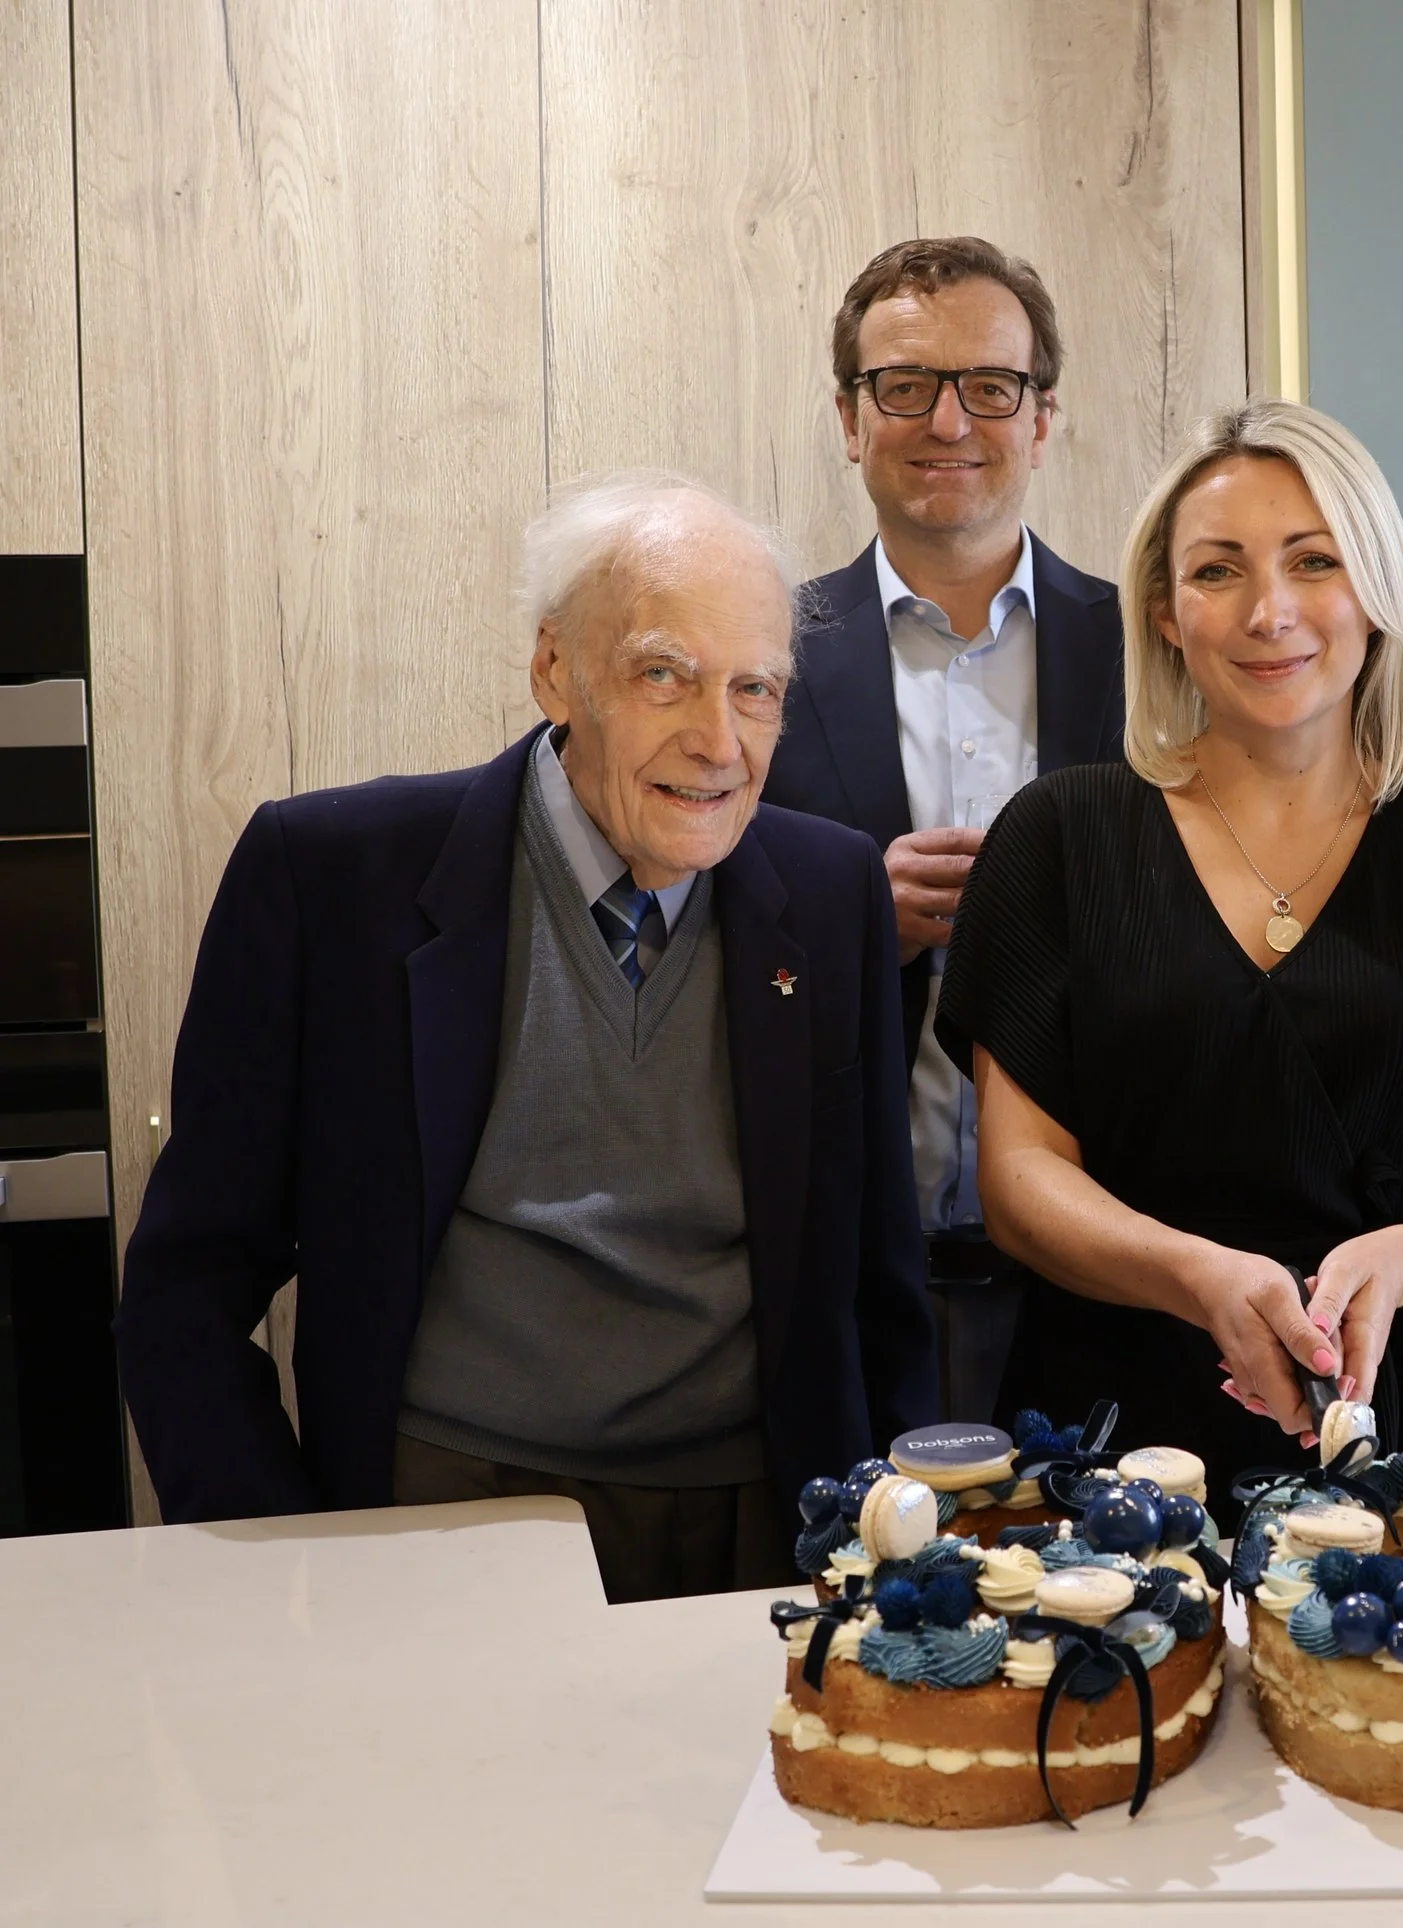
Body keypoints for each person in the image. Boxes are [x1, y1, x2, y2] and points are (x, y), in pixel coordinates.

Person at [115, 475, 935, 1601]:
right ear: (556, 667)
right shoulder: (331, 878)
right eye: (664, 674)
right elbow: (186, 1286)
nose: (719, 740)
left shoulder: (832, 889)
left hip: (759, 1527)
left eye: (756, 689)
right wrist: (279, 1558)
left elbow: (878, 1283)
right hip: (444, 1513)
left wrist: (899, 1566)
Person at [934, 399, 1403, 1507]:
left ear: (1375, 593)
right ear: (1166, 613)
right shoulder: (1057, 837)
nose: (1269, 610)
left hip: (1402, 1418)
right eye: (1219, 570)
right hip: (1116, 1423)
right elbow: (1019, 1176)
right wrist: (1197, 1274)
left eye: (1313, 561)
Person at [764, 236, 1125, 1425]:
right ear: (849, 416)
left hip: (1105, 1258)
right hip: (838, 1259)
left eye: (991, 385)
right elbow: (691, 921)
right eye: (904, 385)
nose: (948, 419)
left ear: (1044, 413)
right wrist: (845, 911)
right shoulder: (758, 658)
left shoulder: (1157, 654)